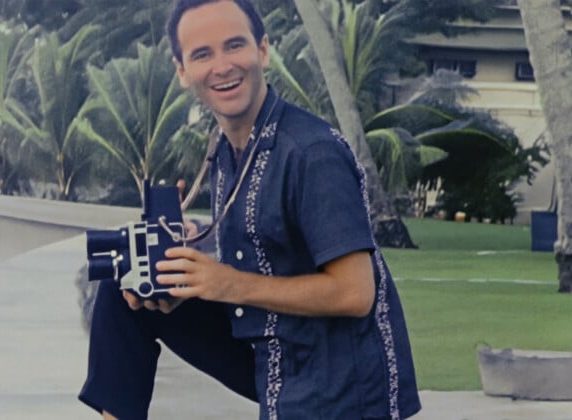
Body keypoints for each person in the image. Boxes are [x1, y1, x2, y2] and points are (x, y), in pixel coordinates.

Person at [79, 0, 421, 419]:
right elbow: (263, 251)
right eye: (202, 54)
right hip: (272, 352)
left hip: (340, 384)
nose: (222, 66)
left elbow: (355, 293)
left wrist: (225, 283)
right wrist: (181, 275)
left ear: (262, 51)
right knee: (122, 289)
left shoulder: (312, 153)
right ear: (183, 71)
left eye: (234, 46)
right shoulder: (227, 150)